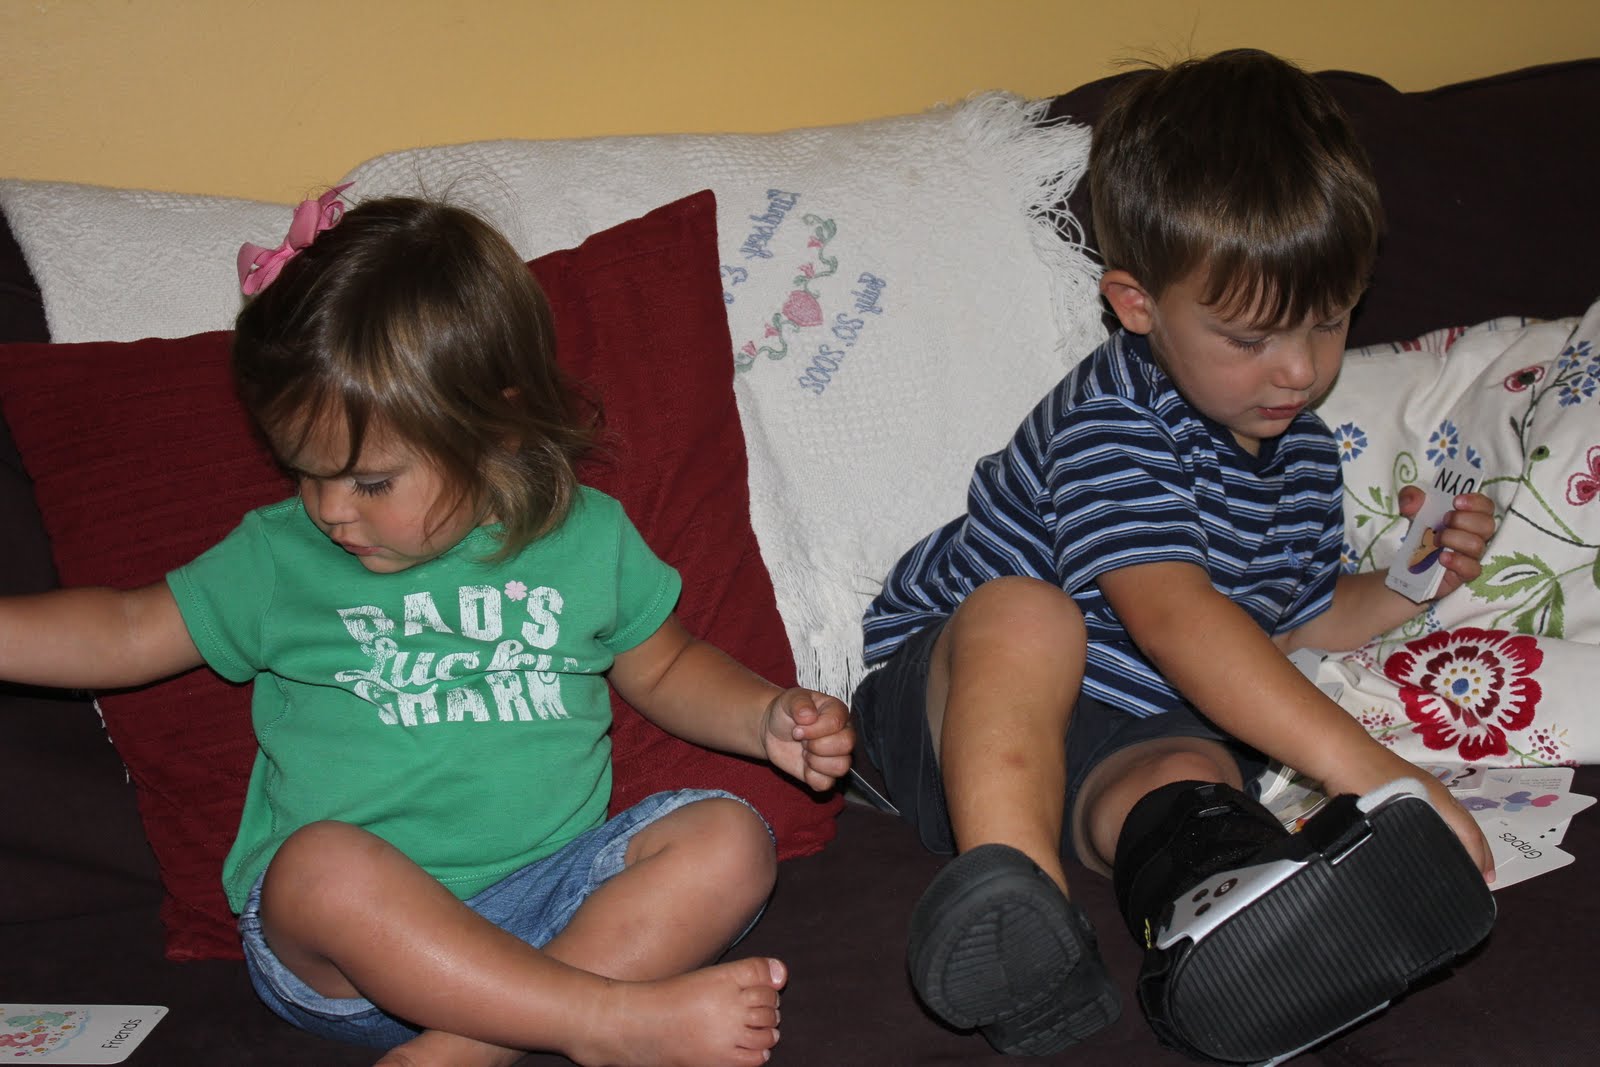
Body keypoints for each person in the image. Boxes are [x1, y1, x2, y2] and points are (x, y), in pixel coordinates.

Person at [0, 187, 855, 1067]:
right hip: (354, 954)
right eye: (304, 472)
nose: (331, 509)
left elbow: (667, 668)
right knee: (317, 867)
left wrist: (761, 714)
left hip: (555, 910)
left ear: (495, 429)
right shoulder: (280, 557)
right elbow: (126, 628)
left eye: (371, 481)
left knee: (731, 838)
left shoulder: (585, 536)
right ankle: (603, 1022)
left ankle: (463, 1049)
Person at [852, 49, 1497, 1063]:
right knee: (1031, 614)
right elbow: (1175, 617)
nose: (1298, 368)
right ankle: (1023, 906)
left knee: (1193, 774)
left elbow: (1297, 616)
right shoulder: (1115, 418)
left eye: (1329, 320)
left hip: (1128, 721)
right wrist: (1376, 775)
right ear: (1136, 304)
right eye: (1250, 337)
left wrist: (1409, 580)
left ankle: (1228, 911)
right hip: (957, 697)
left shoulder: (1303, 455)